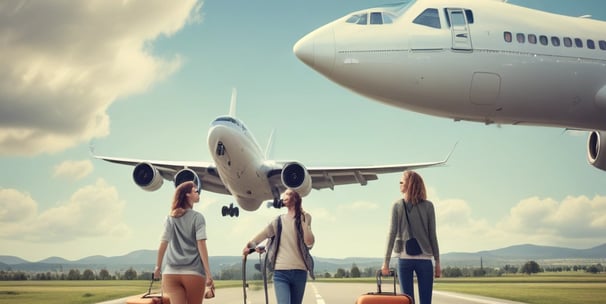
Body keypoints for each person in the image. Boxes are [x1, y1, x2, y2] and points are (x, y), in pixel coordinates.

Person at [243, 189, 315, 304]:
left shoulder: (306, 217)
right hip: (281, 273)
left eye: (286, 194)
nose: (283, 196)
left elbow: (309, 243)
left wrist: (304, 222)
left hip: (300, 272)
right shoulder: (278, 221)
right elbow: (262, 235)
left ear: (295, 198)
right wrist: (249, 246)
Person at [381, 170, 441, 304]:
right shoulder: (397, 206)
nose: (400, 183)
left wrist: (437, 262)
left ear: (411, 184)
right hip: (406, 259)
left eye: (402, 180)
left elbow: (432, 234)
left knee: (424, 301)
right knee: (406, 301)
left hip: (422, 259)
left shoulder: (428, 206)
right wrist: (386, 262)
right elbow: (391, 233)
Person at [153, 181, 214, 304]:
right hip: (193, 273)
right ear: (187, 195)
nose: (198, 193)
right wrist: (208, 273)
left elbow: (163, 243)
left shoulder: (170, 218)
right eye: (195, 191)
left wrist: (158, 267)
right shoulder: (198, 218)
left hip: (170, 273)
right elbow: (201, 244)